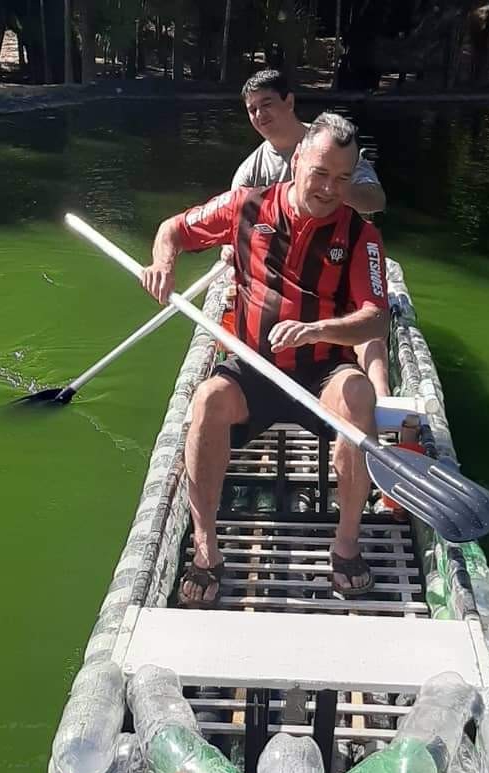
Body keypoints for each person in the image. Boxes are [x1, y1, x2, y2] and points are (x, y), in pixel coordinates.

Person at [140, 113, 390, 609]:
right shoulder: (244, 207)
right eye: (320, 173)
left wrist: (317, 330)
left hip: (322, 375)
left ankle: (345, 545)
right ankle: (207, 549)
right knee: (208, 399)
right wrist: (163, 265)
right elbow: (172, 230)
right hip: (252, 368)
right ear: (296, 161)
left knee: (359, 395)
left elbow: (376, 319)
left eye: (343, 178)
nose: (329, 189)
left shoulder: (361, 237)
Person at [231, 69, 390, 398]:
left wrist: (323, 183)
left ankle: (382, 397)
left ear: (289, 102)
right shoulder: (250, 171)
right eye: (252, 109)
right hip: (284, 273)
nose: (260, 115)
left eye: (267, 104)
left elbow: (376, 201)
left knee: (364, 314)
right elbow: (235, 228)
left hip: (342, 260)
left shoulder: (331, 142)